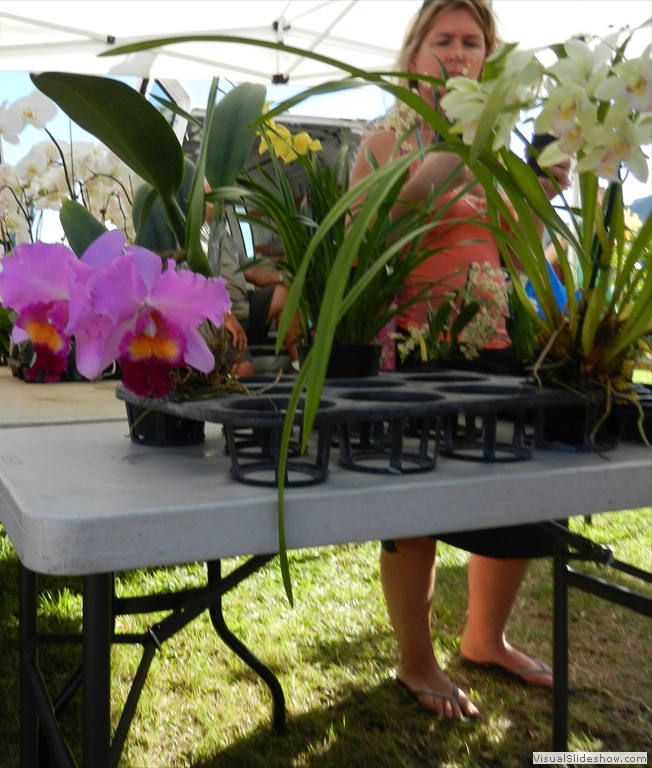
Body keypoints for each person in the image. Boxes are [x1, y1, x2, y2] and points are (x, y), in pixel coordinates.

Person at [349, 0, 572, 721]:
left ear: (488, 57)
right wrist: (464, 145)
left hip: (492, 344)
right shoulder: (382, 141)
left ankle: (485, 638)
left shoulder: (499, 150)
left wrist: (540, 189)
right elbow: (388, 215)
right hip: (408, 349)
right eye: (441, 38)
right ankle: (416, 662)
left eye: (471, 41)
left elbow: (520, 250)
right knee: (413, 511)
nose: (456, 51)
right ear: (413, 54)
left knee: (520, 502)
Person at [206, 204, 302, 377]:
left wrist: (286, 278)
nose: (217, 205)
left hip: (244, 308)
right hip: (220, 319)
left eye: (220, 201)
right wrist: (226, 317)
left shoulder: (224, 235)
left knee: (285, 293)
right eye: (211, 200)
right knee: (243, 371)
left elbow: (251, 272)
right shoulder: (195, 238)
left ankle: (298, 366)